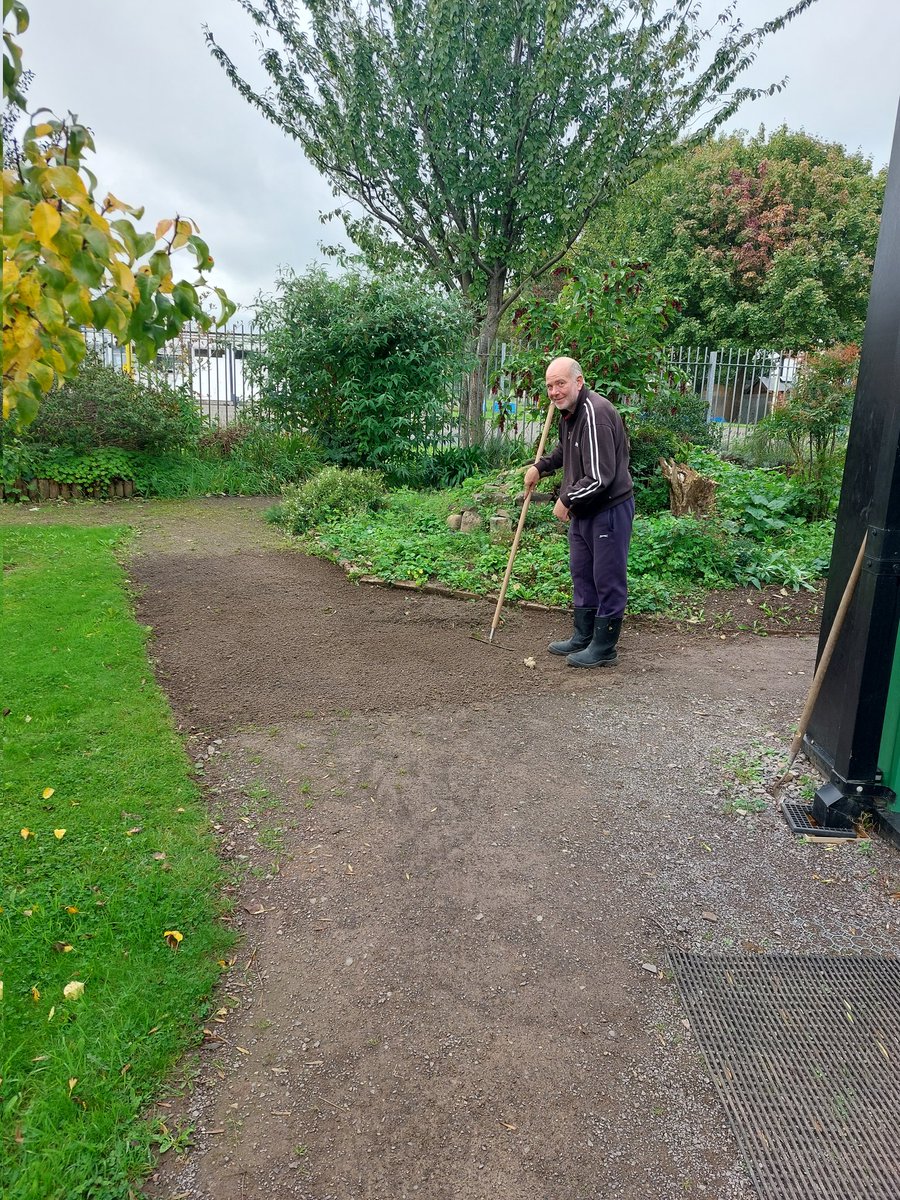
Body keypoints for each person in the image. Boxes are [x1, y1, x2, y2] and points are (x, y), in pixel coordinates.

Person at [523, 357, 634, 667]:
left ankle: (604, 647)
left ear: (579, 382)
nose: (554, 392)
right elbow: (566, 449)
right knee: (582, 574)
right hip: (585, 510)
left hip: (608, 509)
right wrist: (541, 466)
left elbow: (600, 477)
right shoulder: (570, 413)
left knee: (607, 577)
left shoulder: (595, 414)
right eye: (549, 386)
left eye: (560, 384)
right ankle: (583, 635)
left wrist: (566, 499)